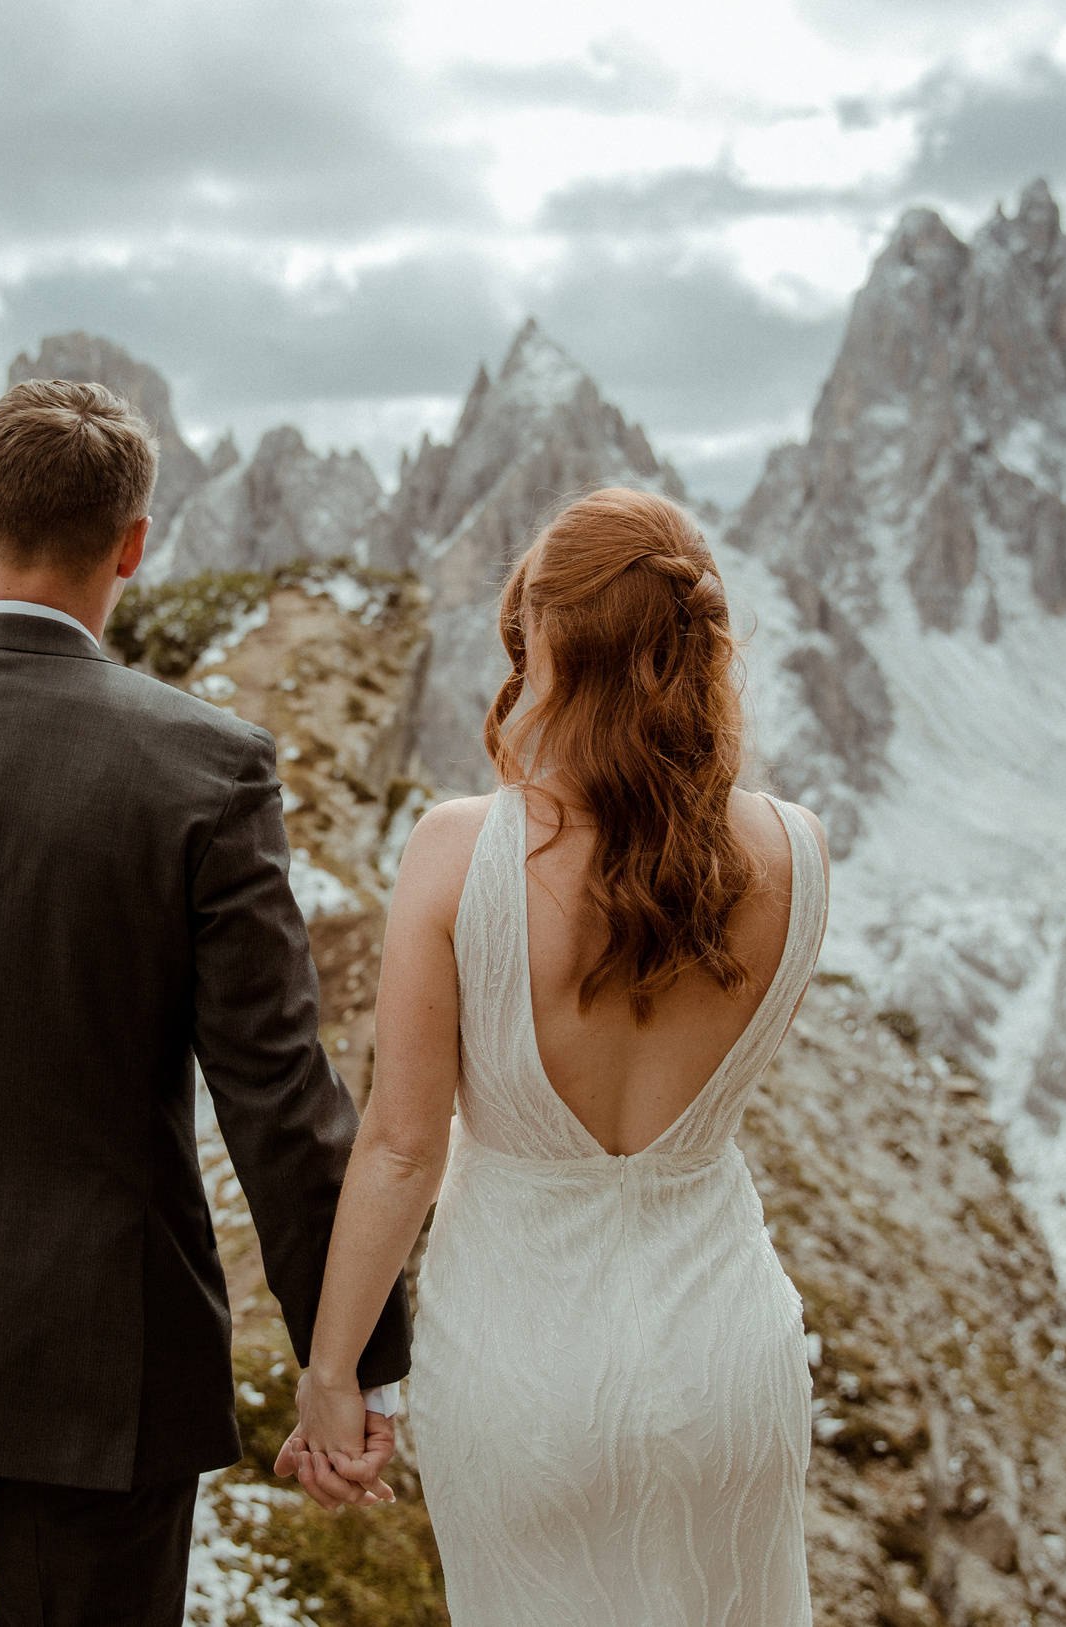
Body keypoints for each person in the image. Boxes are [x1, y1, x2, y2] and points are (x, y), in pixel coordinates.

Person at [0, 377, 412, 1626]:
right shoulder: (207, 768)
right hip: (106, 1356)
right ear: (134, 545)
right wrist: (350, 1360)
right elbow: (274, 1090)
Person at [275, 486, 829, 1623]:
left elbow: (401, 1149)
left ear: (544, 642)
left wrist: (334, 1376)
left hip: (522, 1372)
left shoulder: (456, 853)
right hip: (731, 1359)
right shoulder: (797, 852)